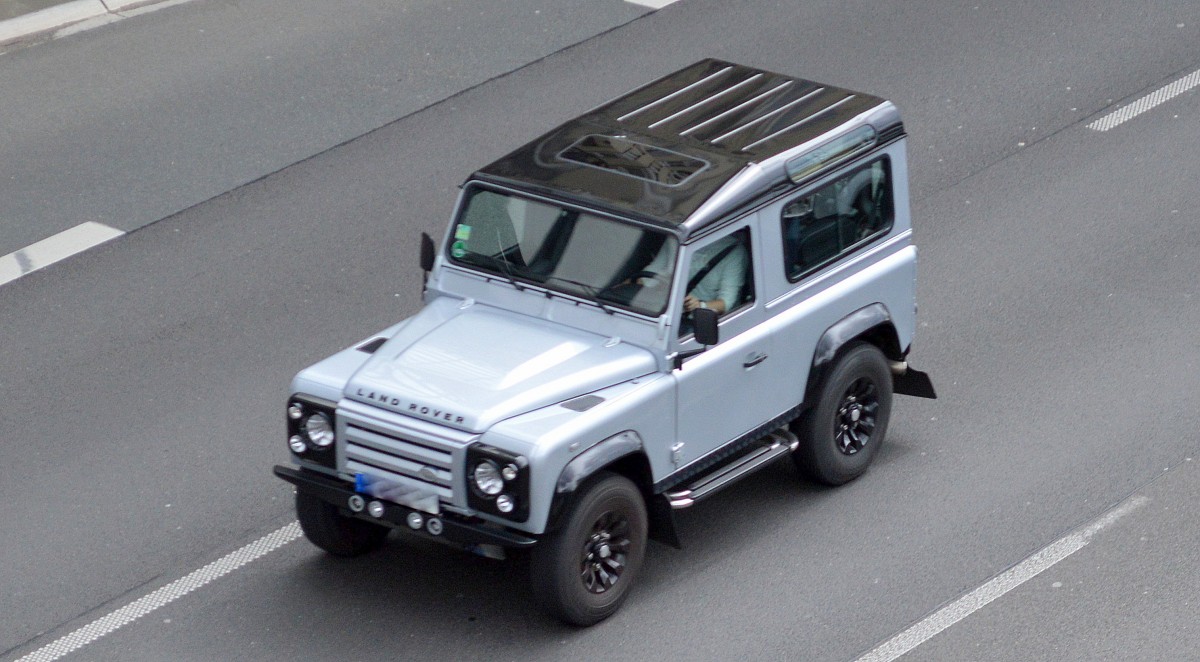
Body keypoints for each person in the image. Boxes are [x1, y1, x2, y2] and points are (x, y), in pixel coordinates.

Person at [636, 232, 747, 317]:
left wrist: (699, 306)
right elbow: (651, 272)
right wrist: (626, 287)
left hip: (701, 322)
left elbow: (726, 303)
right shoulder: (675, 238)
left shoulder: (734, 253)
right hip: (664, 309)